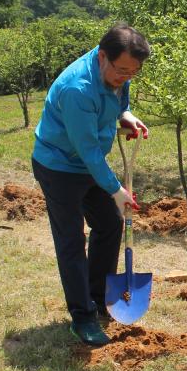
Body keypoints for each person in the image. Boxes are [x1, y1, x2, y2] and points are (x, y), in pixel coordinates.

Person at [31, 24, 151, 347]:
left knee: (110, 223)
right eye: (121, 70)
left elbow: (118, 98)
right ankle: (82, 317)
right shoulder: (77, 89)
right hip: (59, 166)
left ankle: (98, 300)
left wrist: (125, 114)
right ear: (102, 57)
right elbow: (89, 153)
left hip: (87, 163)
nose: (125, 77)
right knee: (71, 239)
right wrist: (117, 192)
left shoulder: (117, 75)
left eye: (132, 73)